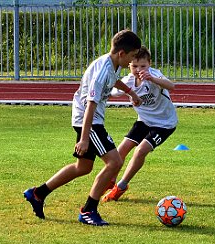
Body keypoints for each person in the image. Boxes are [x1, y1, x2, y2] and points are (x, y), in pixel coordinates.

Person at [23, 29, 142, 226]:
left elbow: (114, 81)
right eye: (131, 56)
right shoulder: (103, 71)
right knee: (115, 162)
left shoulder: (112, 64)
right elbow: (91, 105)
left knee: (83, 167)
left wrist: (131, 92)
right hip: (89, 121)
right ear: (122, 53)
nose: (131, 62)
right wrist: (84, 138)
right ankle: (88, 210)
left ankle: (38, 193)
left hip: (88, 120)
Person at [102, 46, 178, 202]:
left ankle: (121, 186)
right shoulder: (128, 80)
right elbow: (113, 91)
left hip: (164, 124)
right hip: (144, 121)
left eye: (143, 66)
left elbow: (171, 86)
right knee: (121, 150)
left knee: (140, 150)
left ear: (149, 64)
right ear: (129, 65)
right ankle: (111, 180)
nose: (138, 69)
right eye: (134, 66)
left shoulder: (154, 75)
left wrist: (152, 79)